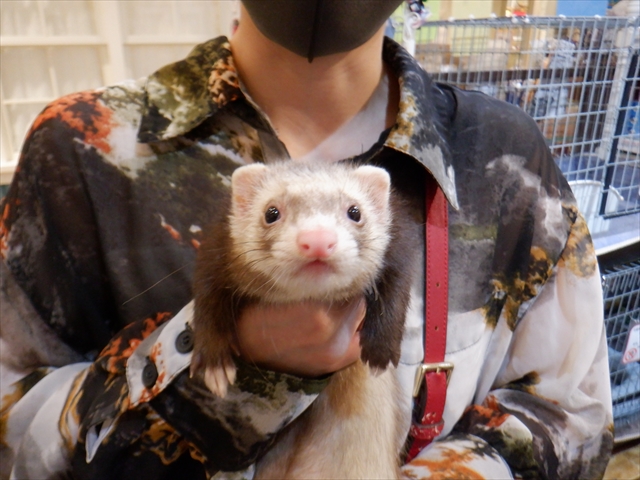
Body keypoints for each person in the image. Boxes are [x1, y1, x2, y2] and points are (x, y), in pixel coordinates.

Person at [0, 1, 613, 479]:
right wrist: (229, 362)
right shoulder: (81, 149)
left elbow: (573, 418)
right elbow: (11, 433)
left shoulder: (509, 159)